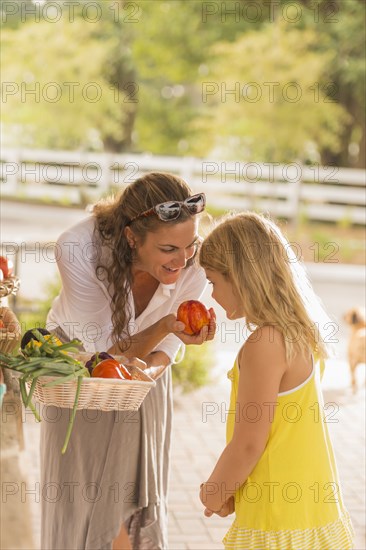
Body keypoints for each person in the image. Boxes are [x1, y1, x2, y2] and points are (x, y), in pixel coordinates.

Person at [41, 172, 216, 550]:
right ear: (132, 237)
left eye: (189, 246)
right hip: (81, 377)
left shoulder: (194, 258)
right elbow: (104, 356)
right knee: (84, 502)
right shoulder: (78, 247)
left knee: (134, 503)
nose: (183, 260)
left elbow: (164, 348)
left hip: (145, 377)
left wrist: (151, 370)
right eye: (169, 249)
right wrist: (167, 325)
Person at [198, 212, 354, 549]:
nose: (211, 295)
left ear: (239, 277)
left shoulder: (265, 345)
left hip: (277, 519)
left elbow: (249, 443)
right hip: (313, 513)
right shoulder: (299, 333)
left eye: (213, 282)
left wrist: (215, 490)